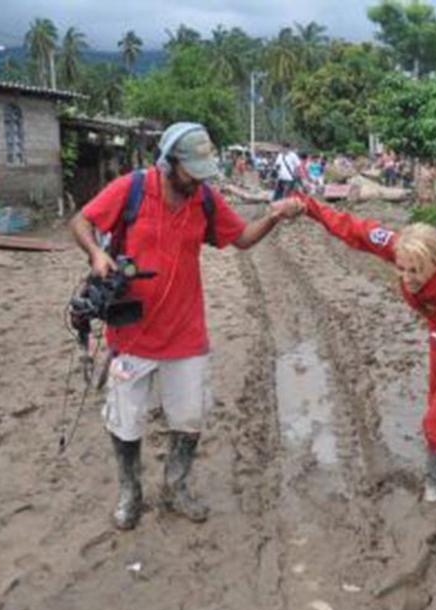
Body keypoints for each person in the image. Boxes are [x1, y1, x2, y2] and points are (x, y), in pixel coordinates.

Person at [69, 122, 297, 530]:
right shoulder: (132, 189)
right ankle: (130, 492)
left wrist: (274, 217)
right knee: (125, 421)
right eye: (192, 171)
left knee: (188, 419)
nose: (198, 180)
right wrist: (96, 257)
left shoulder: (203, 199)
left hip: (186, 335)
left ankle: (176, 487)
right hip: (131, 335)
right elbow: (81, 222)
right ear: (169, 162)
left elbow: (241, 238)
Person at [283, 193, 436, 502]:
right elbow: (354, 228)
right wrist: (307, 206)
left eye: (416, 272)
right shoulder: (400, 248)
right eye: (401, 269)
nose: (407, 278)